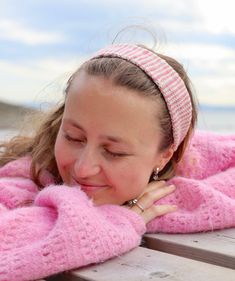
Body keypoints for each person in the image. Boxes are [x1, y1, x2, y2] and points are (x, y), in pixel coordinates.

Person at [0, 43, 234, 281]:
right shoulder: (24, 175)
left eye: (114, 152)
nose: (83, 168)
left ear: (165, 155)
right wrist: (115, 220)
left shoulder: (198, 160)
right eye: (73, 137)